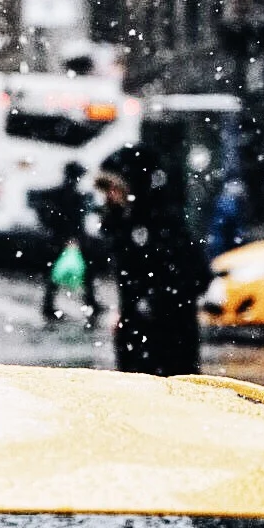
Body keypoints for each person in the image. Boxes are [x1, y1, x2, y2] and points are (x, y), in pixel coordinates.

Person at [98, 145, 211, 377]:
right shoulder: (124, 221)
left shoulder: (163, 223)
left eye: (113, 187)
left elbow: (194, 275)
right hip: (139, 337)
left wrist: (150, 305)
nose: (109, 195)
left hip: (166, 339)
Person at [30, 162, 96, 323]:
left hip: (57, 238)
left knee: (55, 273)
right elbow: (74, 219)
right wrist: (72, 237)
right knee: (84, 273)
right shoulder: (72, 195)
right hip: (67, 239)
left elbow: (45, 211)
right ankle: (90, 303)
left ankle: (49, 305)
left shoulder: (58, 193)